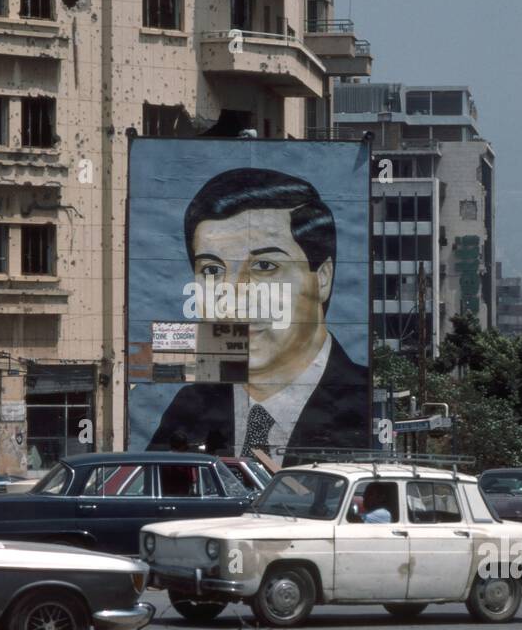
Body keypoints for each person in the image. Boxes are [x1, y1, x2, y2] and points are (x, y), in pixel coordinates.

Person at [146, 167, 370, 462]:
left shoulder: (364, 404)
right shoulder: (189, 408)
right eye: (212, 271)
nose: (234, 296)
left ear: (323, 278)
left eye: (264, 266)